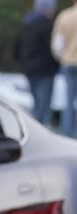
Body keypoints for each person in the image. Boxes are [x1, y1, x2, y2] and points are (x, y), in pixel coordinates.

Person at [20, 0, 60, 126]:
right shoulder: (49, 25)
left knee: (36, 105)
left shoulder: (27, 23)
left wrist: (24, 63)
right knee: (43, 109)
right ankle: (40, 137)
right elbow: (54, 48)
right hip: (45, 71)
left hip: (29, 70)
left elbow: (17, 47)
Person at [53, 0, 77, 134]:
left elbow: (57, 44)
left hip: (68, 62)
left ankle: (67, 132)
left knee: (68, 100)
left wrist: (62, 58)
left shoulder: (64, 16)